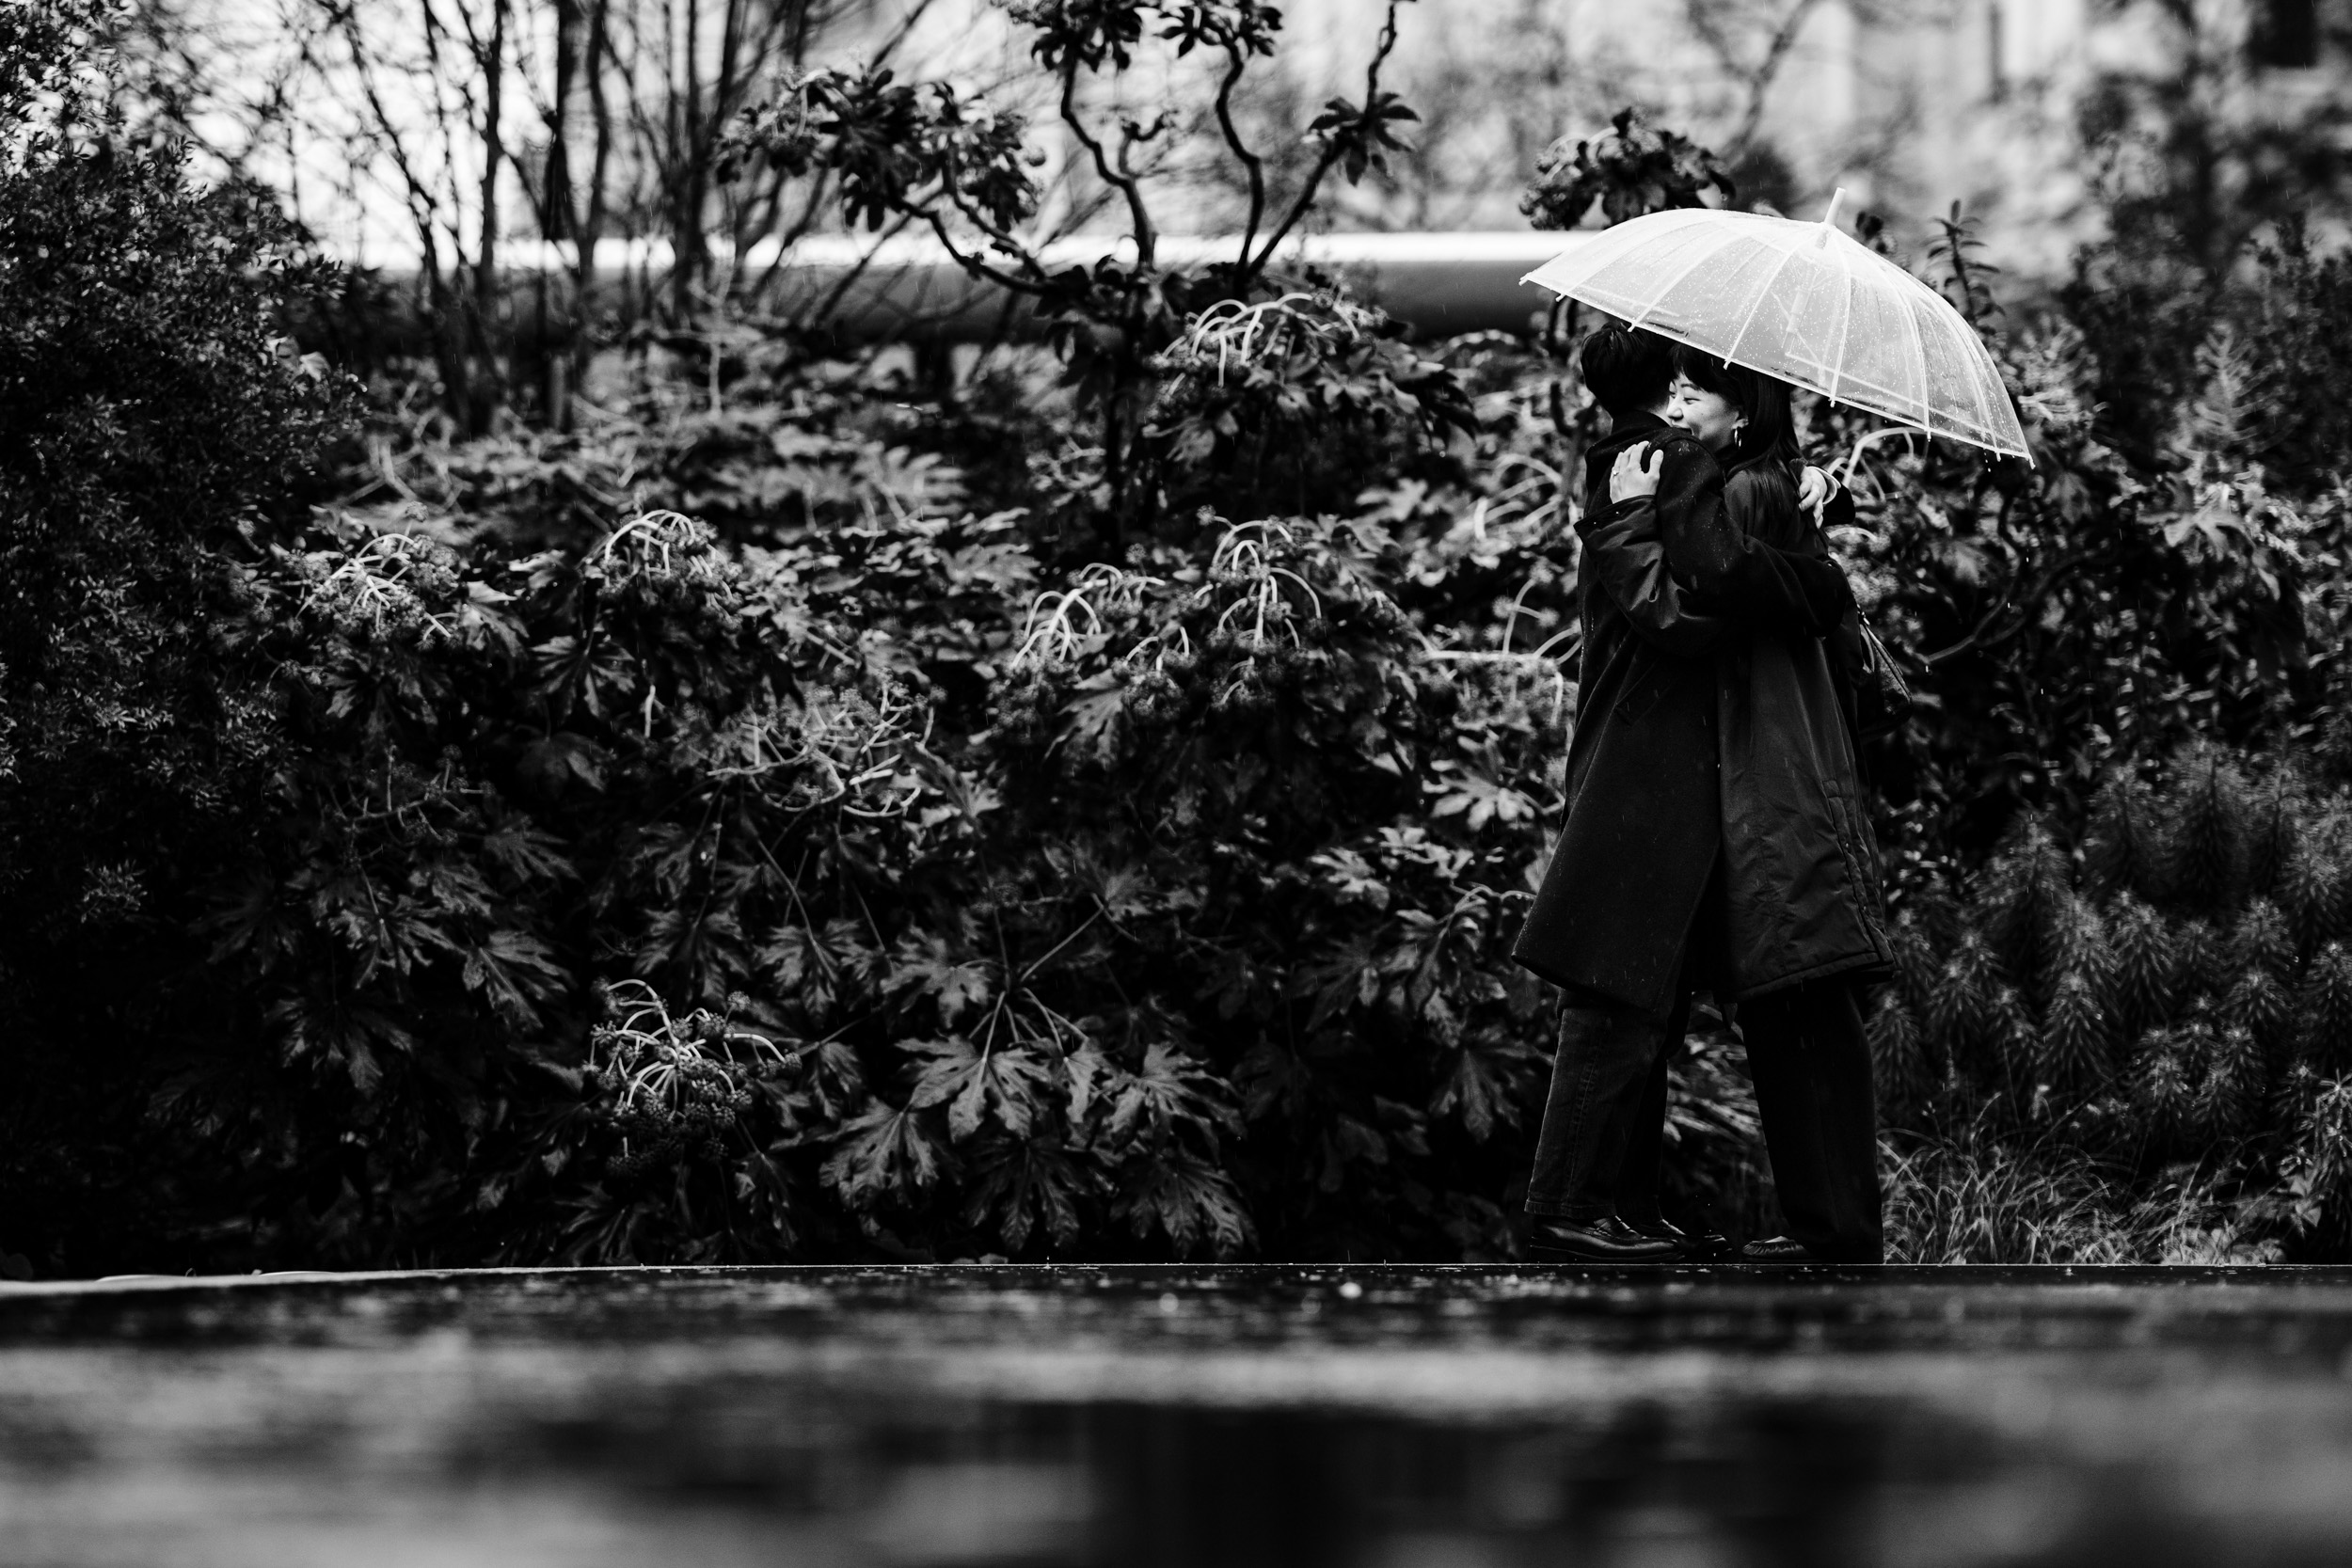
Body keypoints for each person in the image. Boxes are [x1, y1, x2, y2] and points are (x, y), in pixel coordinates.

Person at [1513, 327, 1891, 1265]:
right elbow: (1685, 604)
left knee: (1651, 986)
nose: (1681, 407)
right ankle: (1579, 1209)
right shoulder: (1642, 462)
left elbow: (1717, 563)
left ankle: (1609, 1210)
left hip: (1704, 767)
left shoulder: (1715, 475)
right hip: (1655, 763)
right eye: (1673, 387)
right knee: (1626, 984)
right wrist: (1818, 578)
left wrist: (1808, 525)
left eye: (1699, 388)